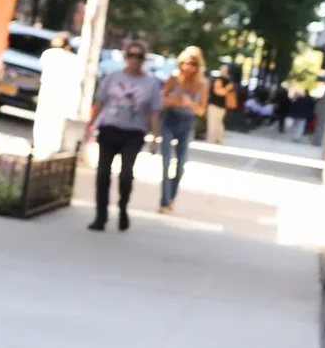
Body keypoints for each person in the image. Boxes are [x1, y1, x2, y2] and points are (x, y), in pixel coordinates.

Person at [87, 39, 162, 231]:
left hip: (134, 133)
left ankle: (122, 207)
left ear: (144, 59)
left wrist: (155, 138)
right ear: (125, 57)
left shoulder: (151, 83)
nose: (134, 59)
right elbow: (100, 102)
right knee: (103, 173)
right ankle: (101, 216)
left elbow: (154, 112)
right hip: (109, 128)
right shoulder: (112, 77)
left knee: (126, 174)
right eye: (131, 55)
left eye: (139, 56)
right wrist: (90, 124)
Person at [157, 46, 207, 211]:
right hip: (170, 118)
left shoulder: (202, 84)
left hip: (187, 122)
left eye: (194, 64)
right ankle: (164, 201)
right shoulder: (174, 77)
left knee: (181, 163)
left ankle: (172, 196)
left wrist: (190, 103)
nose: (189, 67)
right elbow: (162, 99)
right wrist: (174, 100)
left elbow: (201, 110)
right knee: (166, 160)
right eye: (187, 63)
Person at [206, 65, 238, 143]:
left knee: (217, 123)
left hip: (221, 105)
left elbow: (220, 92)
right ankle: (213, 139)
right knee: (215, 122)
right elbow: (218, 92)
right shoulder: (221, 80)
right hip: (215, 104)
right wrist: (227, 89)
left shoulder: (227, 81)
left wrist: (226, 89)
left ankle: (216, 139)